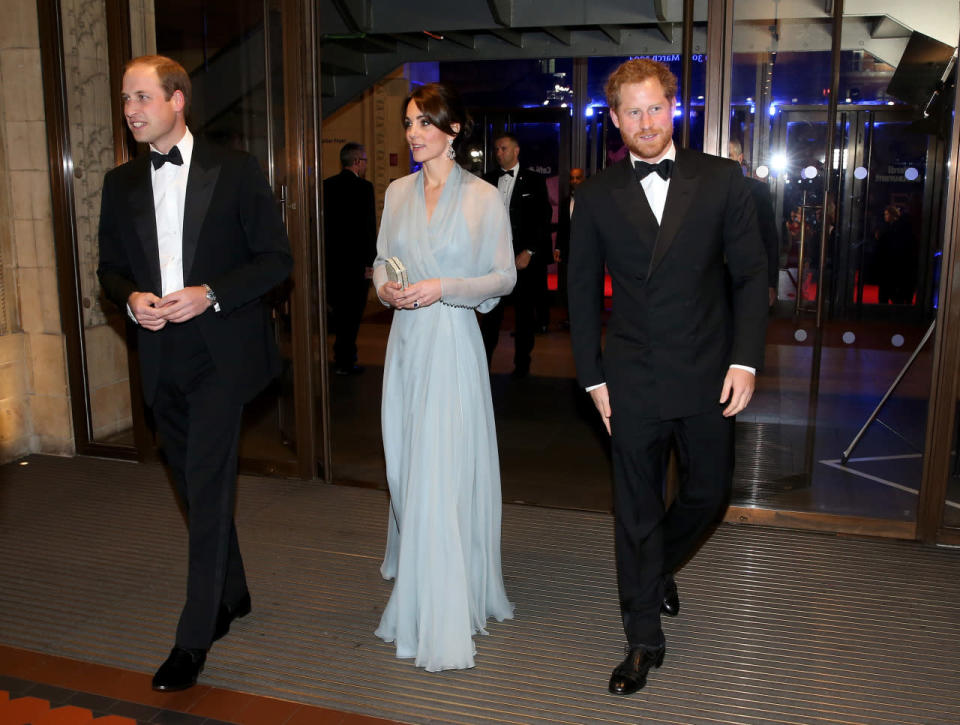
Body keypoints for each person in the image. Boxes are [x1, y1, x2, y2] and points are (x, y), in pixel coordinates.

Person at [567, 58, 768, 696]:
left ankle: (655, 571)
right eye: (633, 111)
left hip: (709, 371)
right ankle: (642, 639)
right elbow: (577, 294)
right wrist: (593, 379)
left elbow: (750, 277)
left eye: (655, 107)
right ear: (616, 120)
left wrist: (745, 359)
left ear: (673, 107)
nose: (646, 122)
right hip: (632, 376)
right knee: (634, 510)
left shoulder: (722, 180)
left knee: (710, 494)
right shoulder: (596, 195)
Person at [97, 55, 292, 691]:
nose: (131, 109)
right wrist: (131, 299)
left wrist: (210, 292)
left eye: (142, 97)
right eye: (126, 99)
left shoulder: (233, 171)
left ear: (177, 100)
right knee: (192, 485)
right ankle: (232, 590)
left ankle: (193, 638)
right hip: (159, 356)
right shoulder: (119, 184)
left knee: (207, 488)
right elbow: (109, 269)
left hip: (221, 355)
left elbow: (274, 260)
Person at [372, 82, 516, 671]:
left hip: (454, 346)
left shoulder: (484, 198)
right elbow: (381, 260)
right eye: (408, 122)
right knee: (406, 468)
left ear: (452, 132)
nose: (413, 133)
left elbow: (504, 278)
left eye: (424, 123)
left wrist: (445, 288)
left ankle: (443, 598)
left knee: (443, 470)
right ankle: (422, 568)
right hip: (405, 346)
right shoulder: (397, 192)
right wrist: (385, 289)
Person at [479, 132, 552, 377]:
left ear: (516, 150)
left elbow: (543, 219)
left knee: (524, 316)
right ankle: (483, 366)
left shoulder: (534, 181)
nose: (499, 153)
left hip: (524, 259)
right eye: (497, 149)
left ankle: (522, 366)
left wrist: (529, 251)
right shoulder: (487, 180)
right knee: (490, 315)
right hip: (494, 261)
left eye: (504, 148)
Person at [323, 142, 377, 374]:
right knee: (353, 314)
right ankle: (346, 360)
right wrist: (370, 261)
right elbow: (368, 227)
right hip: (355, 264)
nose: (366, 165)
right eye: (364, 160)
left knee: (339, 310)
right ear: (356, 162)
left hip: (333, 262)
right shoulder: (365, 188)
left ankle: (340, 358)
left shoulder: (326, 186)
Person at [728, 140, 780, 306]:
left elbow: (770, 239)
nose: (723, 160)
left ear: (739, 158)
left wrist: (770, 283)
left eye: (729, 155)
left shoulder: (758, 191)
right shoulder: (703, 191)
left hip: (748, 278)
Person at [554, 167, 586, 328]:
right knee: (568, 285)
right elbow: (562, 227)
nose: (574, 181)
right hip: (568, 251)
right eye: (572, 178)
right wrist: (558, 248)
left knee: (584, 286)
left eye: (578, 178)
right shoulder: (566, 201)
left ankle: (583, 319)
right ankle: (570, 318)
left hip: (587, 253)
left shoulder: (592, 200)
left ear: (583, 179)